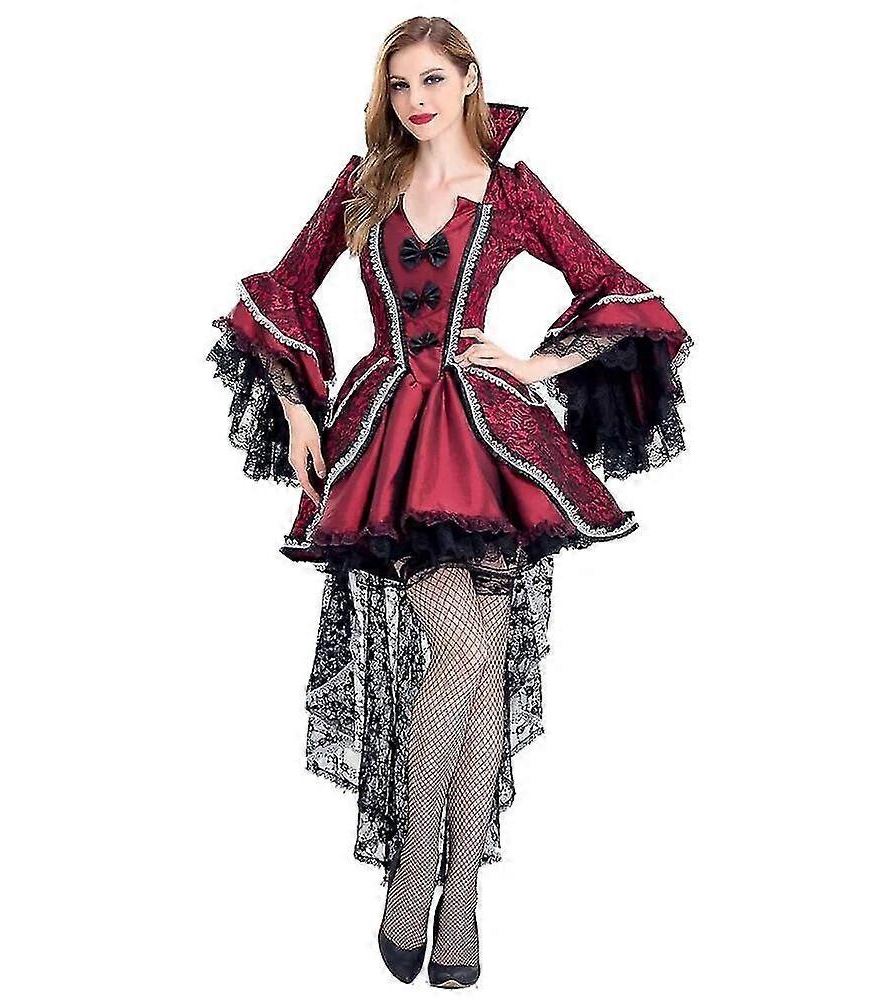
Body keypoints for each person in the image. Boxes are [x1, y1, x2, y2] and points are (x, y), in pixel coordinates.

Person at [207, 15, 692, 988]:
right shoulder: (363, 186)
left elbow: (616, 288)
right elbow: (284, 289)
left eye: (432, 79)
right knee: (464, 654)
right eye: (399, 85)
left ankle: (459, 898)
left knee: (482, 669)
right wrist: (297, 410)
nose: (415, 100)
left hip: (490, 442)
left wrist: (535, 363)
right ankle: (412, 874)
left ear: (468, 78)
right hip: (392, 441)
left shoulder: (514, 192)